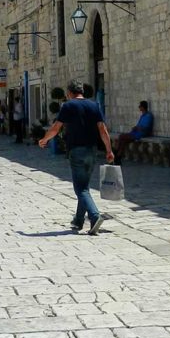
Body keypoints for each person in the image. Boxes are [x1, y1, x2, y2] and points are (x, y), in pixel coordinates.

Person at [39, 79, 115, 235]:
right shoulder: (94, 105)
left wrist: (45, 139)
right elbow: (102, 129)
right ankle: (78, 221)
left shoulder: (68, 106)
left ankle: (94, 216)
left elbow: (56, 127)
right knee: (85, 187)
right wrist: (109, 150)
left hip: (77, 151)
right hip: (92, 151)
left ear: (69, 93)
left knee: (80, 189)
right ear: (82, 91)